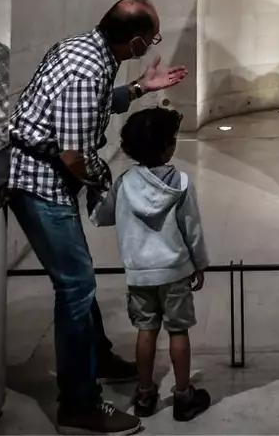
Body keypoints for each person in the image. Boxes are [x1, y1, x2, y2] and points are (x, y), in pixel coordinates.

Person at [8, 0, 187, 435]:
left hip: (47, 174)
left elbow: (93, 105)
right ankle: (79, 402)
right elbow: (72, 155)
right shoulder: (88, 69)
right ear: (138, 40)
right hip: (39, 180)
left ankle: (98, 356)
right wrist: (108, 185)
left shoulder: (84, 48)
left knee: (79, 278)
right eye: (154, 38)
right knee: (76, 287)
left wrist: (142, 88)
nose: (153, 44)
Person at [92, 107, 211, 422]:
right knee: (178, 332)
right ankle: (183, 396)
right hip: (175, 272)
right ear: (169, 146)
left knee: (146, 331)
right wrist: (200, 264)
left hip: (139, 275)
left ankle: (145, 394)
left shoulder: (125, 183)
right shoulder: (181, 183)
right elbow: (192, 230)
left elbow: (102, 216)